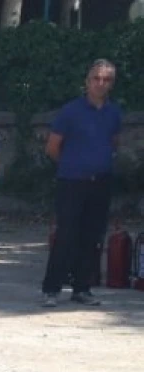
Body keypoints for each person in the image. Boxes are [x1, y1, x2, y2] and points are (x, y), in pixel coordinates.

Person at [40, 59, 121, 308]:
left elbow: (115, 143)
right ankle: (51, 289)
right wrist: (73, 164)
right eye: (96, 78)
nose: (100, 83)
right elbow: (52, 147)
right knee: (66, 235)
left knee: (92, 236)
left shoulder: (114, 112)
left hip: (101, 183)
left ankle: (82, 288)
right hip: (72, 183)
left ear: (111, 84)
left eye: (106, 80)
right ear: (87, 82)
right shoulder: (70, 111)